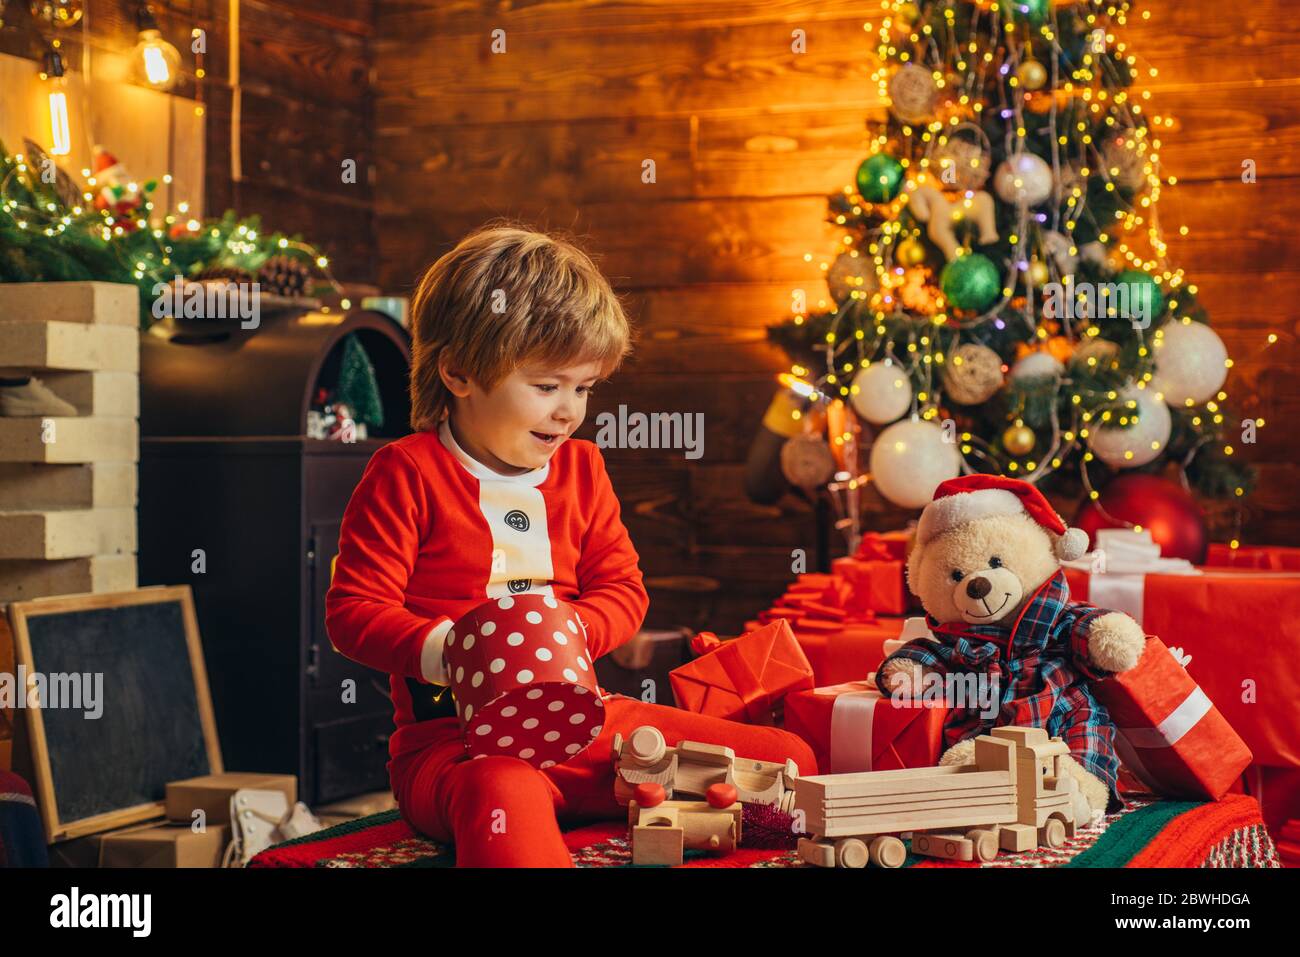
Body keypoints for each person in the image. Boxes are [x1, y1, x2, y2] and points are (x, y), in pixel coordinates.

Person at [326, 223, 816, 866]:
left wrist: (566, 634)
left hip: (588, 728)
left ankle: (644, 799)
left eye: (583, 388)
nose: (568, 412)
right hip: (455, 746)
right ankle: (592, 811)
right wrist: (460, 649)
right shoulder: (406, 472)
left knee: (790, 760)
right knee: (500, 789)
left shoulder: (582, 469)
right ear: (459, 372)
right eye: (547, 386)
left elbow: (622, 589)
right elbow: (352, 612)